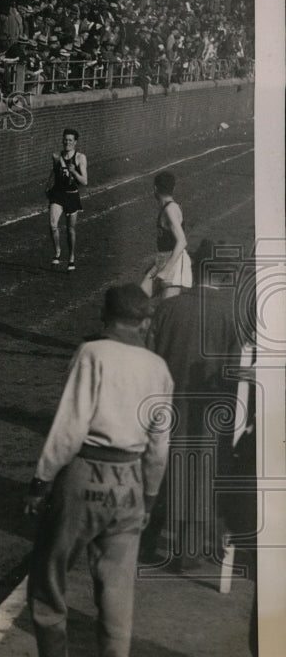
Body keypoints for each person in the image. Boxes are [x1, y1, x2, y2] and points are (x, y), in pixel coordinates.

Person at [24, 284, 173, 657]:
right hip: (131, 481)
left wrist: (41, 482)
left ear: (105, 317)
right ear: (144, 321)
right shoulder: (158, 368)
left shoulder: (92, 353)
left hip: (86, 472)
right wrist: (150, 497)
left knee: (49, 579)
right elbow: (159, 445)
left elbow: (69, 427)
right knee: (117, 590)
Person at [140, 239, 244, 569]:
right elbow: (234, 372)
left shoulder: (167, 309)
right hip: (210, 409)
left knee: (158, 468)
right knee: (202, 474)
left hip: (167, 406)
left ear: (196, 271)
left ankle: (145, 541)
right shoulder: (230, 315)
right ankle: (191, 549)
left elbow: (149, 359)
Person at [140, 171, 191, 299]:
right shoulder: (168, 208)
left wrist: (166, 270)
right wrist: (157, 263)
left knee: (167, 308)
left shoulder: (170, 209)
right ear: (173, 188)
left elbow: (182, 241)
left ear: (155, 188)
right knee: (140, 297)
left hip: (175, 263)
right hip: (164, 258)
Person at [45, 128, 88, 271]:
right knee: (52, 224)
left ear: (75, 142)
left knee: (70, 229)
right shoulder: (57, 156)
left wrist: (74, 171)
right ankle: (57, 253)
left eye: (70, 140)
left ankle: (71, 258)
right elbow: (54, 172)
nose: (67, 142)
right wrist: (47, 185)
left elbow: (85, 181)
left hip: (71, 195)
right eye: (65, 139)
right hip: (58, 194)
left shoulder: (80, 157)